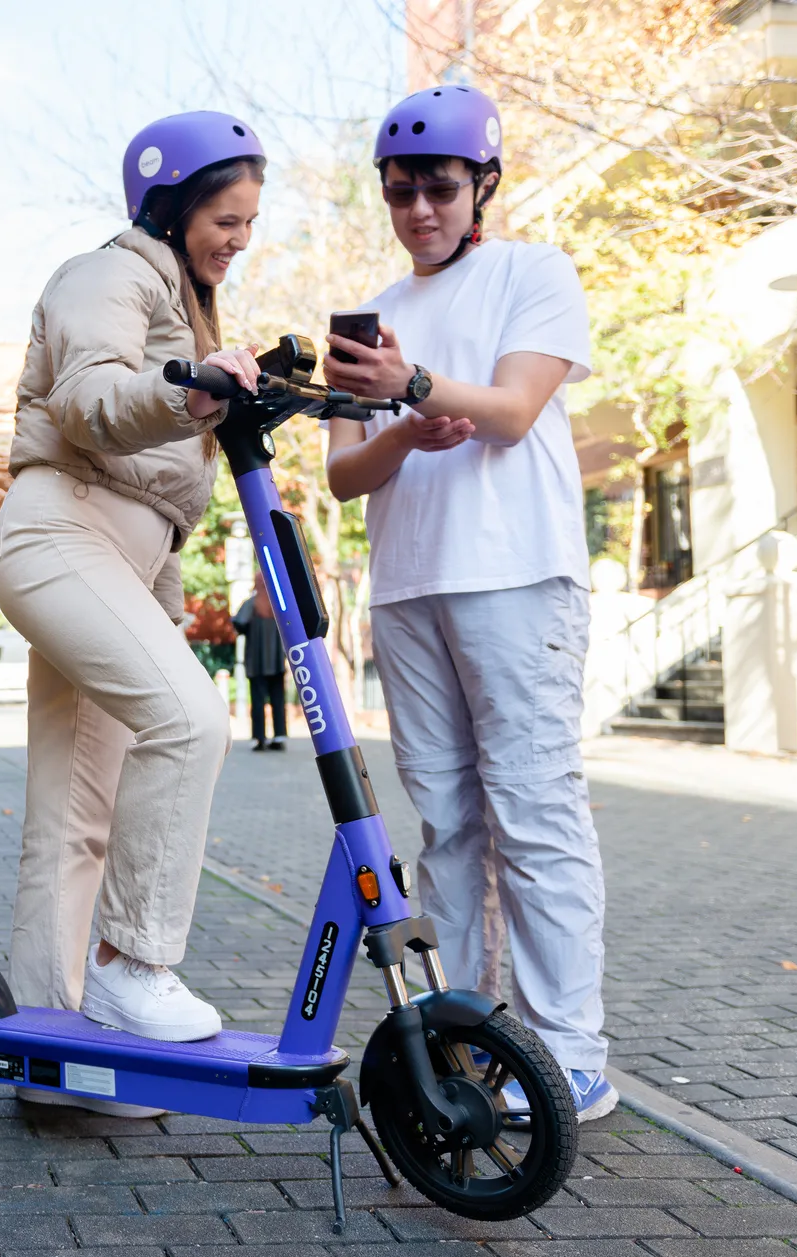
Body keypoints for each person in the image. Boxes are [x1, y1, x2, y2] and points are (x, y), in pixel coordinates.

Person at [320, 85, 616, 1121]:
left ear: (482, 184)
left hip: (516, 572)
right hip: (408, 585)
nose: (418, 211)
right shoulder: (369, 318)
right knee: (445, 824)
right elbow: (344, 476)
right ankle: (461, 1041)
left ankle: (568, 1055)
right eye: (399, 192)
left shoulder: (533, 271)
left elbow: (515, 409)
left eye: (439, 189)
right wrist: (405, 423)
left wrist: (415, 386)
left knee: (533, 811)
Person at [0, 111, 266, 1114]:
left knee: (76, 821)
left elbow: (157, 507)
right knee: (191, 721)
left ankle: (56, 1056)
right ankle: (132, 963)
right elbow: (91, 399)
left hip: (116, 554)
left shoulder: (189, 311)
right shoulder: (107, 274)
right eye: (225, 220)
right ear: (172, 207)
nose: (238, 240)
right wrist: (191, 395)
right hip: (59, 534)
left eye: (249, 223)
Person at [231, 575, 287, 751]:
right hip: (276, 661)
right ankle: (279, 736)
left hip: (256, 661)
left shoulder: (251, 604)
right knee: (278, 699)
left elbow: (240, 623)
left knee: (257, 700)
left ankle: (259, 738)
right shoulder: (279, 605)